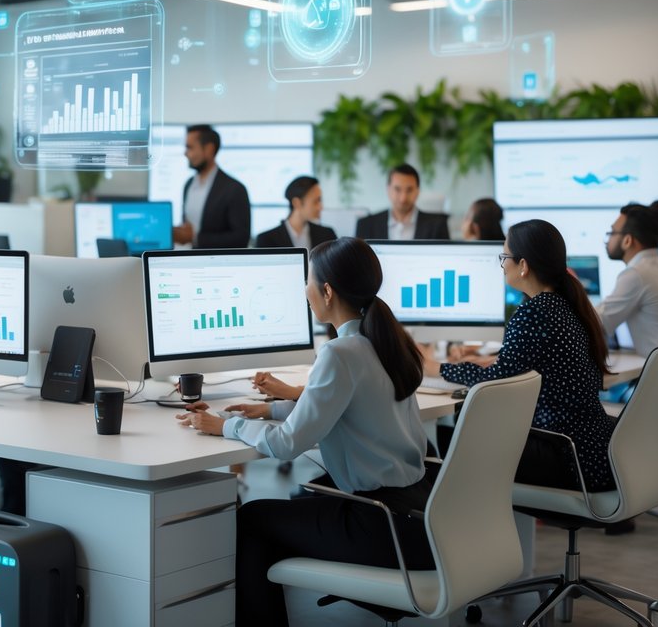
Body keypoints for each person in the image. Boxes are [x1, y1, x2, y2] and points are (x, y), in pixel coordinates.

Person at [177, 237, 432, 626]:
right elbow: (349, 407)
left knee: (253, 519)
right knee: (298, 500)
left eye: (309, 280)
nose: (305, 289)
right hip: (419, 517)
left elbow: (287, 445)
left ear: (327, 292)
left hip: (382, 526)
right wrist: (272, 408)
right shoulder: (385, 340)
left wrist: (225, 425)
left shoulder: (341, 353)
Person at [424, 220, 618, 494]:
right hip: (594, 452)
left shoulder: (534, 313)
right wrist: (496, 362)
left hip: (566, 455)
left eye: (505, 257)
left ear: (523, 265)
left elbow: (495, 382)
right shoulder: (565, 305)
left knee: (450, 437)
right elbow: (523, 366)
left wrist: (438, 368)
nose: (502, 265)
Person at [598, 204, 658, 359]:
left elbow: (598, 323)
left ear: (627, 240)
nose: (608, 239)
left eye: (612, 232)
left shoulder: (636, 274)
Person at [171, 124, 251, 249]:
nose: (185, 153)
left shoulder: (235, 189)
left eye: (190, 147)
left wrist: (195, 238)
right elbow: (188, 228)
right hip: (186, 260)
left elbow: (240, 238)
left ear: (209, 149)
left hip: (215, 264)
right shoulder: (189, 185)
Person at [355, 164, 450, 240]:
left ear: (418, 191)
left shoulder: (438, 225)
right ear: (388, 189)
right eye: (397, 189)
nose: (403, 198)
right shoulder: (366, 225)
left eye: (409, 190)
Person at [255, 176, 336, 249]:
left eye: (320, 200)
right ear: (297, 203)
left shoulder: (327, 235)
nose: (321, 207)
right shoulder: (266, 240)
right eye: (316, 201)